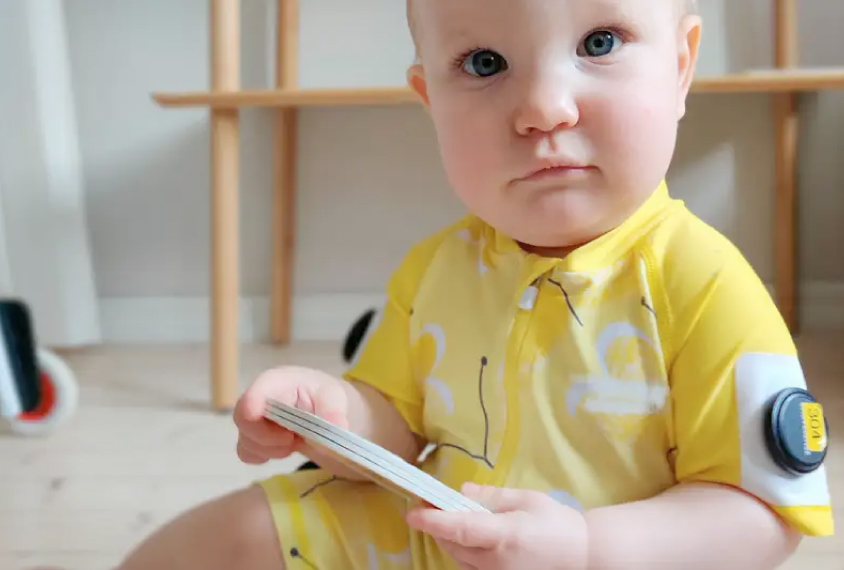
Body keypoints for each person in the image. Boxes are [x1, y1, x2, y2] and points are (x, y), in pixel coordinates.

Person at [111, 0, 835, 568]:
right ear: (430, 100)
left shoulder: (706, 286)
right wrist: (332, 414)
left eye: (600, 42)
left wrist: (587, 550)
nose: (545, 107)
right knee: (228, 534)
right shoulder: (436, 268)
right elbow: (392, 422)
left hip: (626, 559)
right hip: (445, 538)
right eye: (486, 62)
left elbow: (763, 513)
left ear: (681, 67)